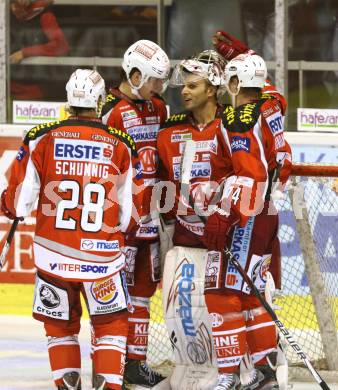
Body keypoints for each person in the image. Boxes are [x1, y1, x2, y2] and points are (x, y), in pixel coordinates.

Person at [0, 68, 143, 390]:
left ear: (68, 100)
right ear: (100, 101)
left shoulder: (41, 136)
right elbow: (130, 213)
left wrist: (7, 205)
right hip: (102, 259)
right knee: (109, 325)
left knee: (60, 326)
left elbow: (19, 204)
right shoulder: (120, 142)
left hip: (53, 257)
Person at [157, 50, 271, 390]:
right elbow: (162, 185)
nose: (184, 92)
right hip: (187, 240)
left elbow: (248, 176)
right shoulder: (168, 132)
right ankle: (209, 374)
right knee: (186, 317)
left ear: (213, 89)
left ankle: (254, 374)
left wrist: (228, 217)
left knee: (238, 301)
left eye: (193, 86)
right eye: (184, 86)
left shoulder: (232, 123)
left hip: (228, 233)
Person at [202, 51, 292, 389]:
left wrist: (225, 215)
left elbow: (250, 175)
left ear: (238, 82)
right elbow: (278, 164)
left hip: (247, 216)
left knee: (221, 292)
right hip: (267, 213)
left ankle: (229, 377)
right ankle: (265, 373)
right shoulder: (271, 108)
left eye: (231, 79)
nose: (226, 86)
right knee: (253, 296)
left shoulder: (239, 116)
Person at [101, 39, 170, 388]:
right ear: (136, 73)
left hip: (152, 217)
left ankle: (135, 364)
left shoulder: (159, 107)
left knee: (143, 291)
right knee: (117, 293)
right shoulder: (110, 110)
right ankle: (113, 361)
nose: (160, 87)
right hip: (120, 222)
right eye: (156, 79)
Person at [10, 0, 69, 100]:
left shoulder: (44, 15)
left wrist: (24, 53)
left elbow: (61, 46)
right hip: (8, 86)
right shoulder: (5, 15)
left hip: (36, 89)